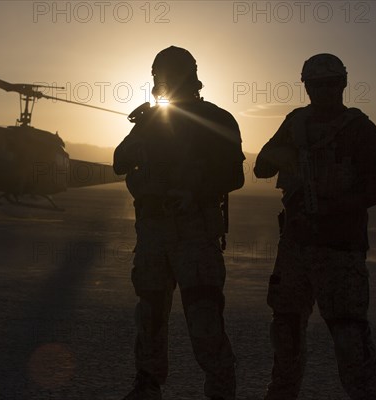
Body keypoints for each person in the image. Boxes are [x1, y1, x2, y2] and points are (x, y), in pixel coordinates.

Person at [254, 53, 376, 400]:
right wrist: (286, 157)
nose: (323, 92)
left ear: (343, 84)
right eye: (315, 85)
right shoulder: (295, 123)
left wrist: (332, 206)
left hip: (340, 250)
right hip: (295, 246)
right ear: (307, 87)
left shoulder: (362, 131)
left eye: (330, 84)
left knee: (349, 338)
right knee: (285, 331)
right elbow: (261, 168)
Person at [113, 46, 245, 400]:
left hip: (195, 233)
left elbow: (234, 175)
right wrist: (137, 138)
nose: (161, 80)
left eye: (167, 74)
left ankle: (220, 391)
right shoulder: (150, 120)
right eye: (159, 74)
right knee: (150, 317)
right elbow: (118, 162)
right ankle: (147, 386)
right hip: (154, 234)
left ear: (186, 76)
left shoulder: (216, 119)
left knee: (204, 322)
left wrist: (195, 191)